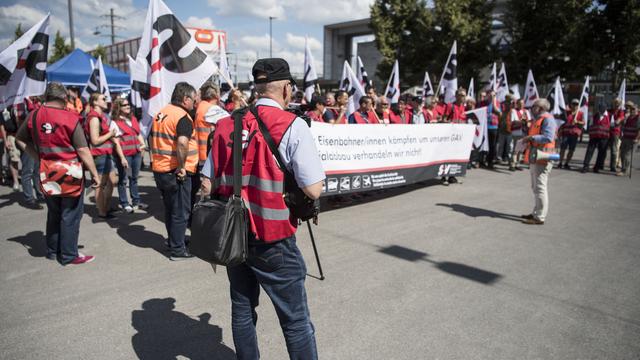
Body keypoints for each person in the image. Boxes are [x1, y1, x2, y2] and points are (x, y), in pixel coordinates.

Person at [202, 58, 324, 360]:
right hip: (274, 239)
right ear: (286, 88)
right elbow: (313, 189)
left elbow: (206, 183)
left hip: (232, 235)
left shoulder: (225, 124)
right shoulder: (292, 125)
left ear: (257, 87)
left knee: (242, 310)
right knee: (295, 321)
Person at [16, 82, 101, 265]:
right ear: (63, 98)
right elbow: (83, 150)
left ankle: (53, 251)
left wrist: (38, 156)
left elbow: (20, 140)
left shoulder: (34, 115)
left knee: (54, 212)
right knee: (70, 214)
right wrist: (95, 173)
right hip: (70, 172)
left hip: (47, 171)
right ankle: (69, 255)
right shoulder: (69, 117)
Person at [149, 82, 199, 260]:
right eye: (194, 100)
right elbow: (183, 143)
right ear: (186, 99)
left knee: (170, 209)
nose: (195, 104)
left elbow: (151, 138)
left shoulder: (161, 113)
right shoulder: (182, 117)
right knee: (181, 211)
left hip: (160, 169)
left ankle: (173, 241)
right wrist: (182, 167)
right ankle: (177, 249)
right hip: (176, 171)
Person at [85, 93, 128, 219]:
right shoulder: (94, 117)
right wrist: (110, 134)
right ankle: (102, 212)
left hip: (106, 154)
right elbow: (95, 140)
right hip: (99, 155)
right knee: (100, 184)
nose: (106, 101)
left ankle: (105, 206)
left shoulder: (100, 116)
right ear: (95, 102)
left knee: (112, 181)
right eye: (103, 99)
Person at [193, 81, 230, 219]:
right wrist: (238, 103)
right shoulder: (211, 109)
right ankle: (207, 218)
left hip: (202, 153)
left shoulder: (201, 107)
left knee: (206, 188)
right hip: (211, 156)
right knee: (210, 190)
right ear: (216, 94)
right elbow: (235, 121)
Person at [521, 99, 557, 225]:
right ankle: (536, 212)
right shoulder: (537, 119)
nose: (531, 108)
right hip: (536, 156)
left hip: (543, 157)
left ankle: (540, 217)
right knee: (535, 186)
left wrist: (531, 137)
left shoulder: (548, 119)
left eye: (534, 106)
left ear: (540, 108)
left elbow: (548, 137)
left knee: (540, 186)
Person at [112, 97, 147, 213]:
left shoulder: (133, 119)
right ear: (118, 107)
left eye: (128, 105)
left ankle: (136, 201)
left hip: (136, 154)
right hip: (125, 156)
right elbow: (116, 142)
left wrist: (142, 145)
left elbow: (138, 134)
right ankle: (124, 203)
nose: (128, 106)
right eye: (124, 105)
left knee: (134, 178)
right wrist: (122, 158)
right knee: (123, 180)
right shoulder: (115, 122)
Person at [558, 99, 585, 169]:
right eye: (573, 104)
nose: (575, 105)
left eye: (576, 104)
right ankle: (560, 162)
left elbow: (583, 123)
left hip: (574, 134)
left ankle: (567, 163)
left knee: (571, 150)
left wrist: (577, 122)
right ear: (571, 104)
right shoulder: (566, 113)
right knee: (562, 149)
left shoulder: (580, 113)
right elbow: (560, 121)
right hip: (566, 133)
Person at [582, 109, 610, 173]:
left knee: (601, 153)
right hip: (594, 136)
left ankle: (597, 167)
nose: (601, 112)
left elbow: (612, 125)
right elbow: (591, 124)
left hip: (604, 137)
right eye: (600, 110)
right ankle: (585, 166)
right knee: (589, 151)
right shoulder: (595, 115)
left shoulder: (609, 116)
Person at [617, 101, 639, 176]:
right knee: (622, 153)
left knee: (627, 154)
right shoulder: (628, 116)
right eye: (631, 109)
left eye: (634, 109)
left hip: (632, 139)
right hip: (625, 138)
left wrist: (637, 138)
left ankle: (624, 170)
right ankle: (624, 168)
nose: (632, 110)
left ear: (637, 110)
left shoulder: (638, 118)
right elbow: (623, 125)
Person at [509, 99, 529, 171]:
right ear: (517, 104)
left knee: (521, 149)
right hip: (516, 132)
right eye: (520, 103)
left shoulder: (526, 111)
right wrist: (521, 121)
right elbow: (513, 121)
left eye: (522, 103)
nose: (521, 105)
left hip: (524, 132)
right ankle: (512, 164)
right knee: (515, 149)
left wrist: (526, 123)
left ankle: (517, 164)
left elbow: (529, 121)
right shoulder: (514, 111)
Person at [496, 94, 515, 165]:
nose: (507, 105)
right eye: (506, 104)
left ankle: (510, 159)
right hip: (502, 130)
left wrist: (511, 99)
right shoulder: (503, 111)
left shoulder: (513, 111)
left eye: (509, 104)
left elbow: (514, 104)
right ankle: (499, 158)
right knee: (500, 145)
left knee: (510, 146)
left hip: (510, 131)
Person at [608, 98, 625, 172]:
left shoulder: (620, 112)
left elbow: (618, 121)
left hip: (615, 132)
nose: (616, 104)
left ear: (620, 104)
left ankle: (612, 166)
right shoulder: (609, 111)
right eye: (615, 102)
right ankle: (600, 164)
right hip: (607, 131)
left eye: (618, 103)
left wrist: (614, 122)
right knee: (603, 148)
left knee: (614, 150)